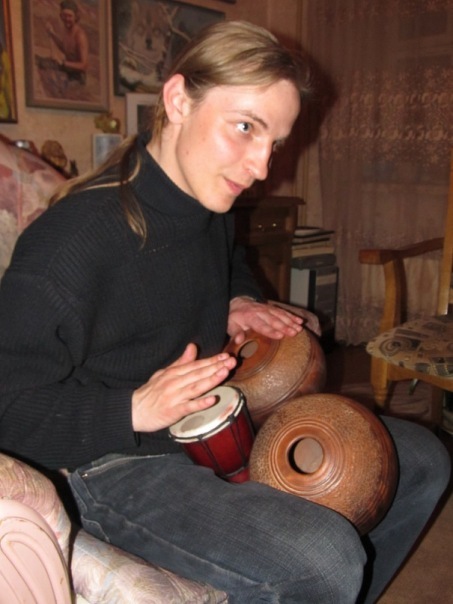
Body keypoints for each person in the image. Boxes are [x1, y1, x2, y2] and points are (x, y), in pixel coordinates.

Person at [0, 20, 450, 603]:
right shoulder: (70, 245)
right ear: (178, 100)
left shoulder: (207, 203)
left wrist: (239, 300)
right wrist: (133, 408)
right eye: (245, 127)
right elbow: (7, 405)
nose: (261, 168)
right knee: (323, 559)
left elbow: (227, 260)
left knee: (421, 461)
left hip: (215, 415)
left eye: (274, 143)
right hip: (108, 460)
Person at [45, 0, 88, 84]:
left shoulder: (80, 35)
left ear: (75, 17)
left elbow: (84, 65)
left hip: (77, 77)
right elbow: (65, 48)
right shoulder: (67, 29)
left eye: (70, 16)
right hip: (67, 70)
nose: (66, 19)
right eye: (64, 15)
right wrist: (51, 33)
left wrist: (63, 63)